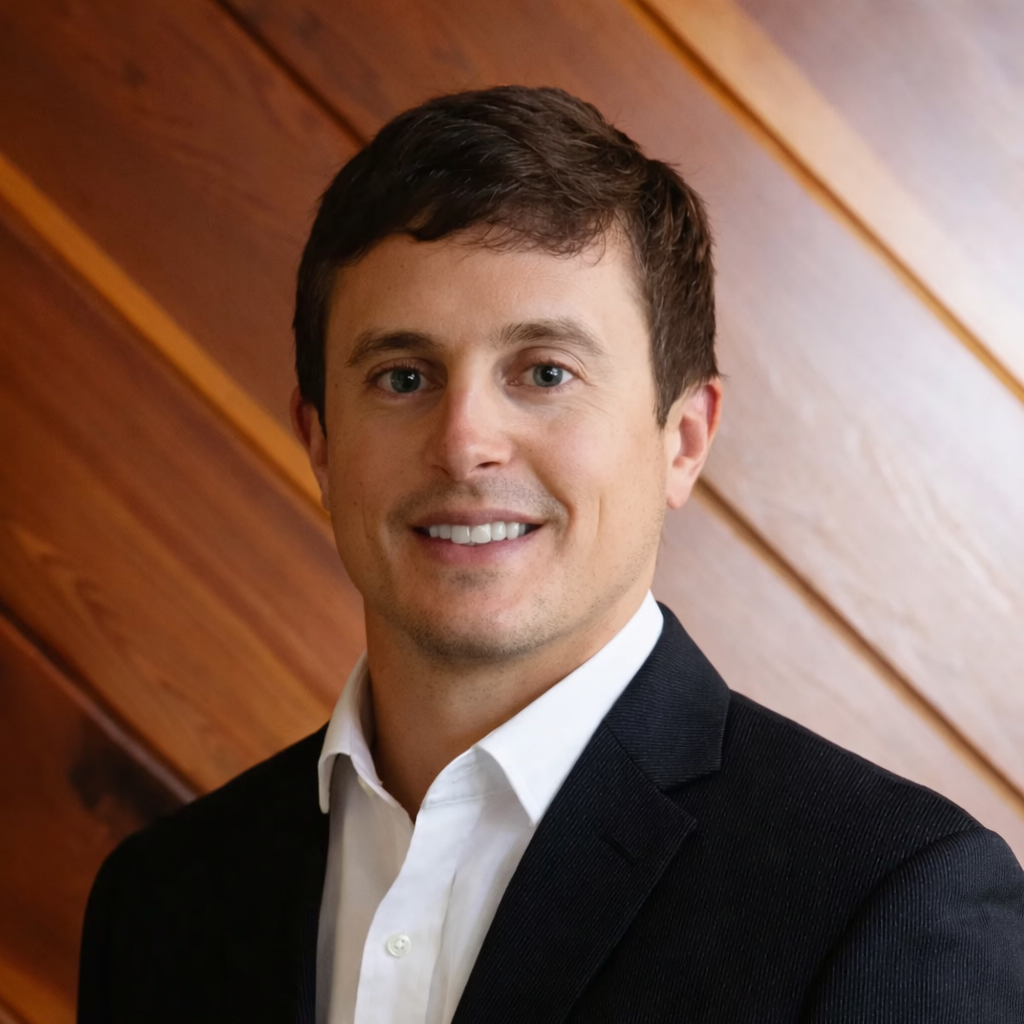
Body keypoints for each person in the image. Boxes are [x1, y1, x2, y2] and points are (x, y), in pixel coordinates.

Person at [78, 86, 1024, 1024]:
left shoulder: (889, 902)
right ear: (320, 442)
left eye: (545, 373)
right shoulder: (159, 901)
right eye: (402, 377)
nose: (464, 442)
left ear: (683, 441)